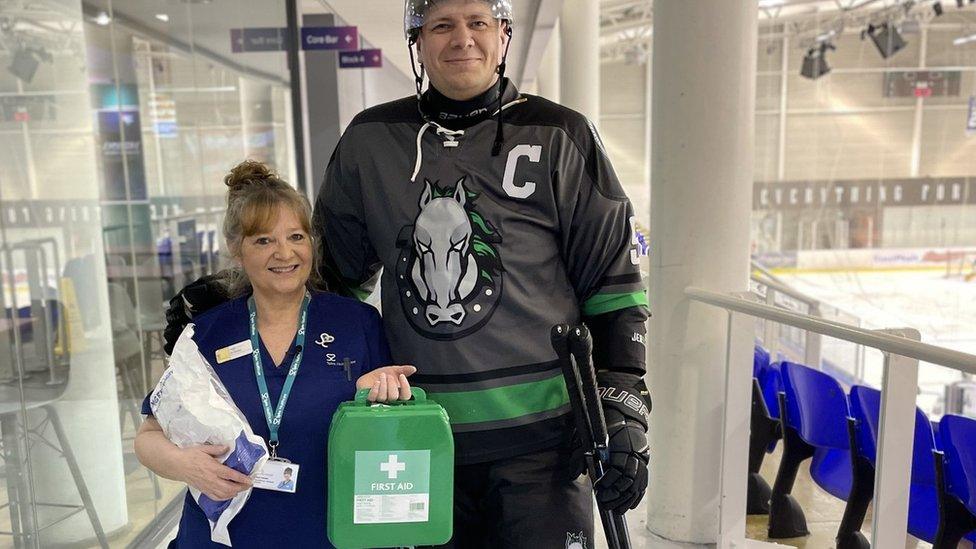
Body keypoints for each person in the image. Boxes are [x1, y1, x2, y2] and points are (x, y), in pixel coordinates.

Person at [165, 0, 652, 546]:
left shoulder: (562, 134)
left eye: (478, 23)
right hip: (412, 435)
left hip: (542, 443)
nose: (462, 39)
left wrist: (622, 405)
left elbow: (614, 285)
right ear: (418, 42)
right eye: (442, 25)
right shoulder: (371, 140)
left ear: (504, 34)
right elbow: (327, 278)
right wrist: (237, 299)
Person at [137, 161, 415, 548]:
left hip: (326, 532)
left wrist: (374, 399)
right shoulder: (205, 334)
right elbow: (148, 436)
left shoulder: (358, 324)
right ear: (237, 250)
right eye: (263, 240)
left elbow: (395, 435)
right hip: (223, 535)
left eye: (296, 236)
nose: (284, 253)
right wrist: (187, 465)